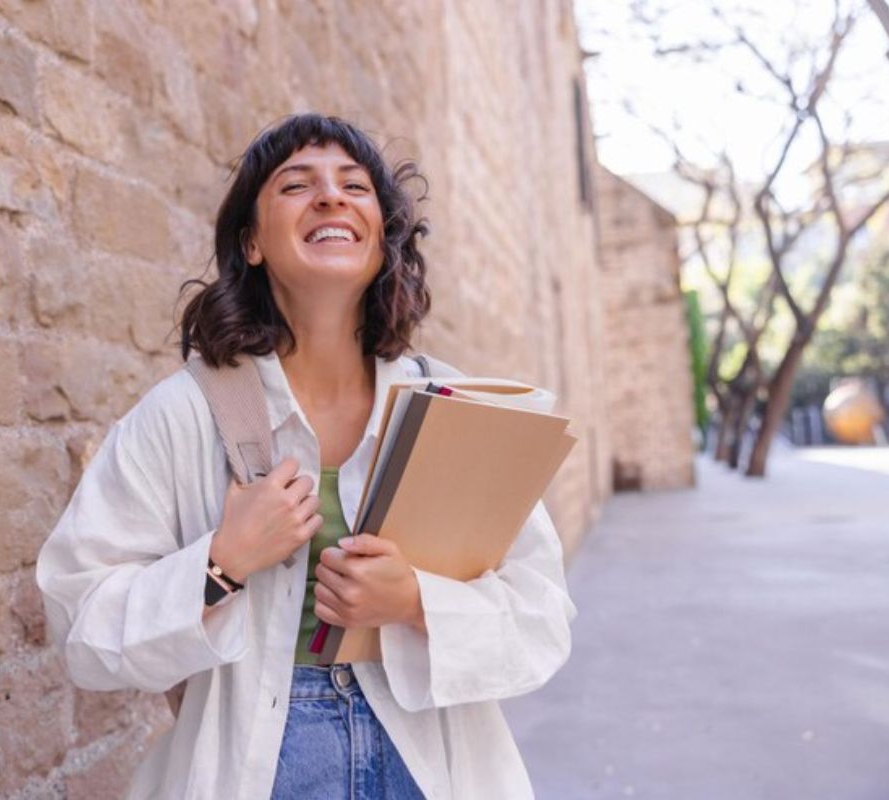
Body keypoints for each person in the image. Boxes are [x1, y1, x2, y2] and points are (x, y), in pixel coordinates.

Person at [35, 113, 576, 799]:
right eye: (297, 184)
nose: (331, 196)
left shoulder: (460, 411)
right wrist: (219, 565)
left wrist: (415, 603)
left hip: (430, 763)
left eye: (354, 185)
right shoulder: (183, 415)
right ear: (252, 242)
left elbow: (542, 621)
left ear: (383, 238)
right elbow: (80, 624)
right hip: (259, 766)